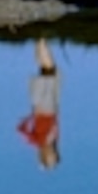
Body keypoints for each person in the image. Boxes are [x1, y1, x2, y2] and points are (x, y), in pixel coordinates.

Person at [17, 39, 63, 168]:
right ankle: (40, 41)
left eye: (51, 157)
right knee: (48, 71)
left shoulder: (37, 141)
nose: (53, 154)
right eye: (55, 156)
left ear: (44, 155)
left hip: (43, 107)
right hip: (52, 106)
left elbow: (21, 129)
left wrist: (31, 116)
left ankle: (41, 40)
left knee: (48, 71)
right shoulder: (54, 140)